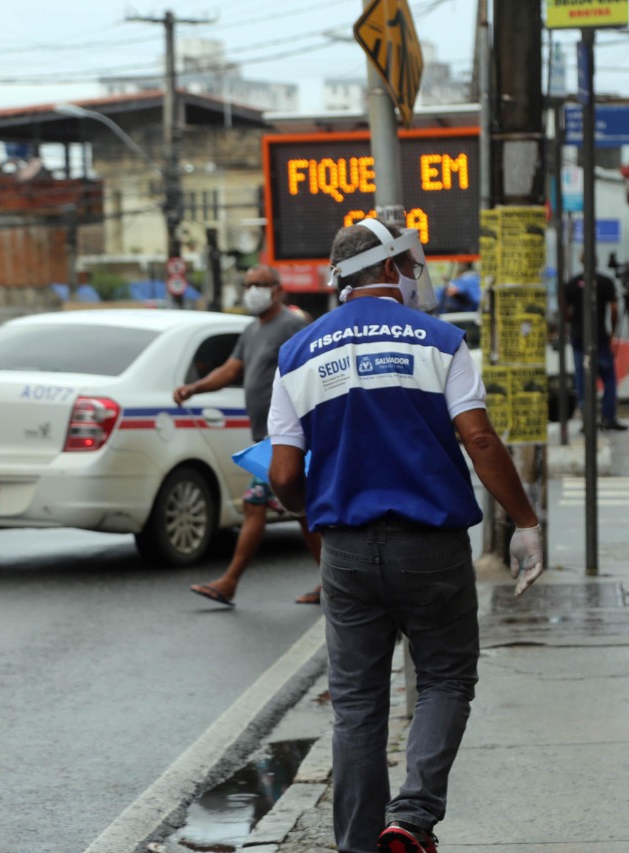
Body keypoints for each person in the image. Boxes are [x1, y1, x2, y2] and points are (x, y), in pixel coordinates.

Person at [266, 219, 545, 853]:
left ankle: (359, 845)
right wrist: (524, 523)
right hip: (432, 548)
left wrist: (322, 510)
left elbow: (283, 473)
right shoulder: (441, 340)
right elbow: (478, 438)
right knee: (445, 678)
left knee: (358, 706)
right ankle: (412, 817)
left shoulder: (298, 351)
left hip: (345, 550)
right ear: (392, 268)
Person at [175, 265, 322, 607]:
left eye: (260, 284)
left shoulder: (291, 325)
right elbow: (231, 370)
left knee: (255, 504)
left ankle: (229, 582)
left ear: (277, 290)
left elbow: (309, 370)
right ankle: (332, 581)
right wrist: (194, 388)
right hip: (267, 437)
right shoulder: (252, 330)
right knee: (304, 514)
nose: (253, 290)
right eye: (248, 284)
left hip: (287, 437)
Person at [565, 256, 627, 431]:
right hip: (599, 337)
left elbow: (564, 309)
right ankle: (608, 417)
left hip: (579, 338)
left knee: (583, 379)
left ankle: (587, 420)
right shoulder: (606, 282)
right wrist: (612, 331)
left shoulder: (572, 283)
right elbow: (614, 308)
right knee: (608, 378)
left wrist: (573, 322)